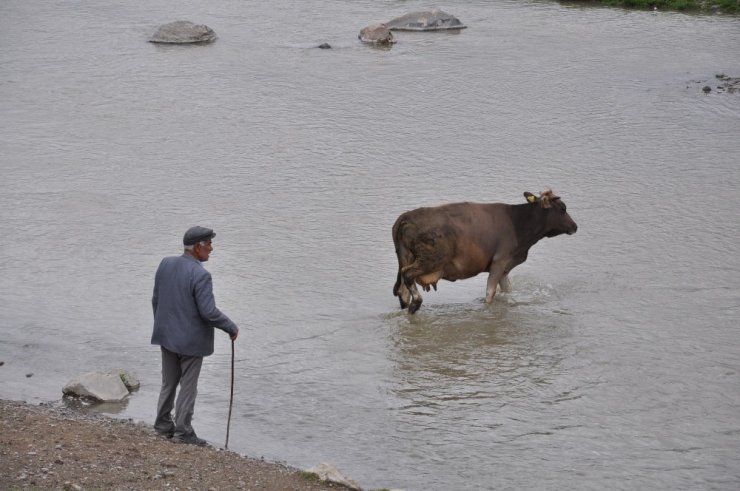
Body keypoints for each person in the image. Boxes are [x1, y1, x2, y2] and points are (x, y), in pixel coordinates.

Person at [151, 226, 239, 445]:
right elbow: (208, 312)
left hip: (166, 335)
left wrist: (163, 325)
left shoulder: (166, 263)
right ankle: (183, 432)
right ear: (197, 247)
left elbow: (156, 299)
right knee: (188, 387)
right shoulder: (201, 275)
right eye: (208, 244)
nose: (211, 248)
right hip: (190, 342)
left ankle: (162, 425)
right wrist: (231, 327)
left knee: (168, 383)